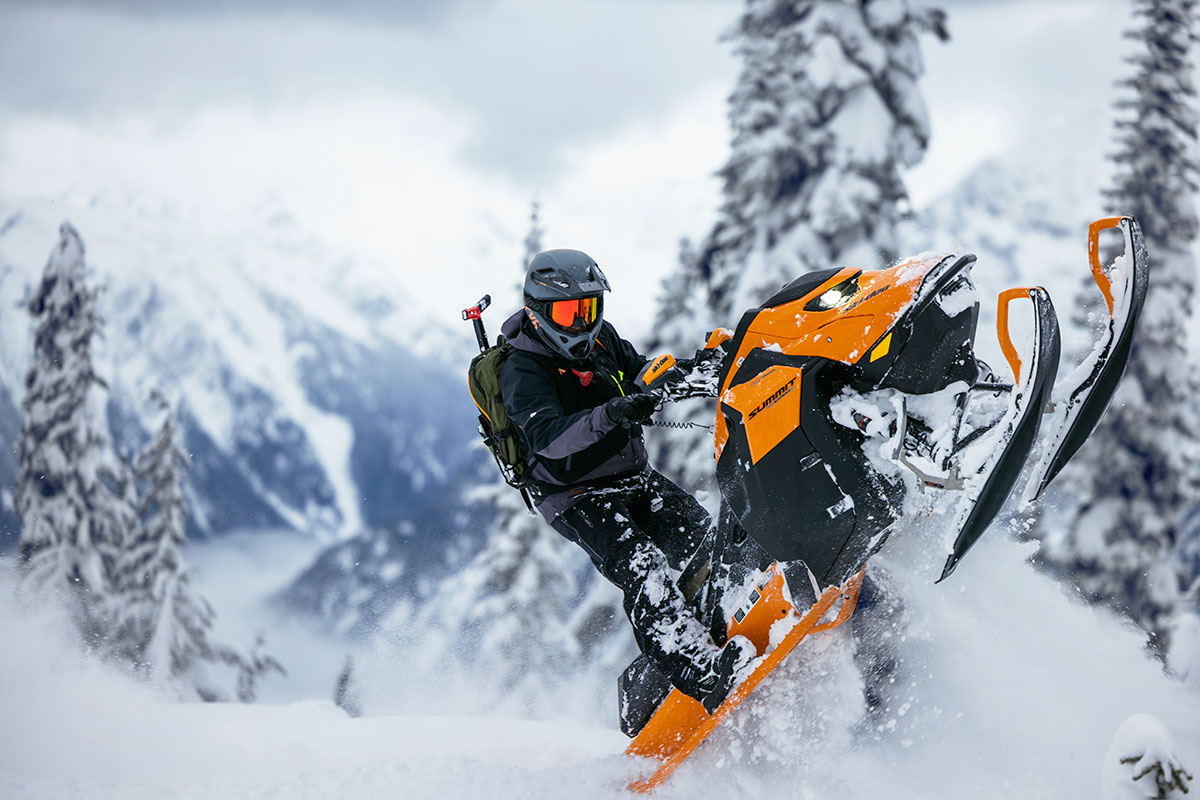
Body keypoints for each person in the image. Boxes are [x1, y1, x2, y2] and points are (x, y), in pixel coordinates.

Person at [499, 248, 754, 713]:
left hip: (630, 474)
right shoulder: (522, 370)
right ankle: (702, 673)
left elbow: (642, 375)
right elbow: (548, 439)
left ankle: (729, 618)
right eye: (569, 312)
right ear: (537, 313)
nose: (582, 322)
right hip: (574, 495)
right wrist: (611, 412)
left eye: (589, 307)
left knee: (707, 541)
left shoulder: (602, 340)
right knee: (641, 566)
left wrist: (702, 373)